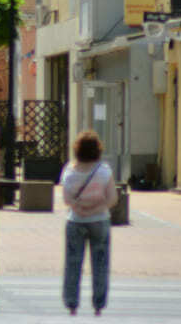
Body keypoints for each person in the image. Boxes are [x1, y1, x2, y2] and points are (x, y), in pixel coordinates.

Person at [61, 129, 119, 316]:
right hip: (99, 221)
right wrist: (95, 210)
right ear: (98, 149)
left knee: (73, 263)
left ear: (77, 149)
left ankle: (72, 303)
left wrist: (79, 208)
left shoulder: (69, 170)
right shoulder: (104, 171)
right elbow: (112, 198)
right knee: (100, 263)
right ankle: (98, 304)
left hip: (75, 220)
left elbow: (66, 198)